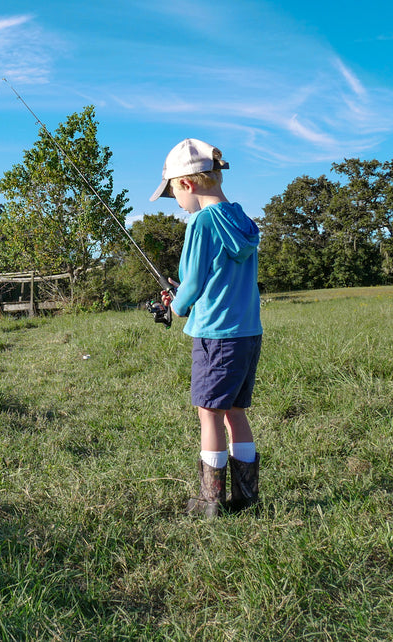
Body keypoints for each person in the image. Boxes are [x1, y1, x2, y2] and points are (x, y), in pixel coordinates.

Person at [150, 138, 263, 517]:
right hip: (248, 333)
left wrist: (178, 305)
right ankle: (246, 498)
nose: (179, 206)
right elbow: (219, 277)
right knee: (235, 412)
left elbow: (194, 282)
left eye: (173, 195)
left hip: (215, 336)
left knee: (208, 413)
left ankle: (209, 502)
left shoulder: (200, 223)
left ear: (187, 184)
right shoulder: (244, 220)